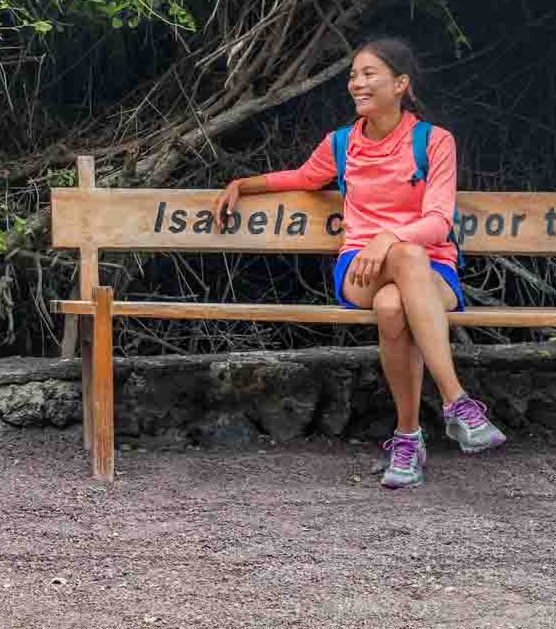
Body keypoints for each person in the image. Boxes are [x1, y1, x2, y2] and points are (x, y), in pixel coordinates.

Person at [212, 36, 505, 489]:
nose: (357, 83)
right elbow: (305, 177)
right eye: (353, 75)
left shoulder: (434, 141)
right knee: (401, 262)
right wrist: (243, 183)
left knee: (394, 302)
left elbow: (439, 222)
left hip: (432, 269)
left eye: (369, 74)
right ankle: (457, 402)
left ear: (401, 84)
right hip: (360, 269)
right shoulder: (342, 142)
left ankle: (408, 440)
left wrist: (387, 238)